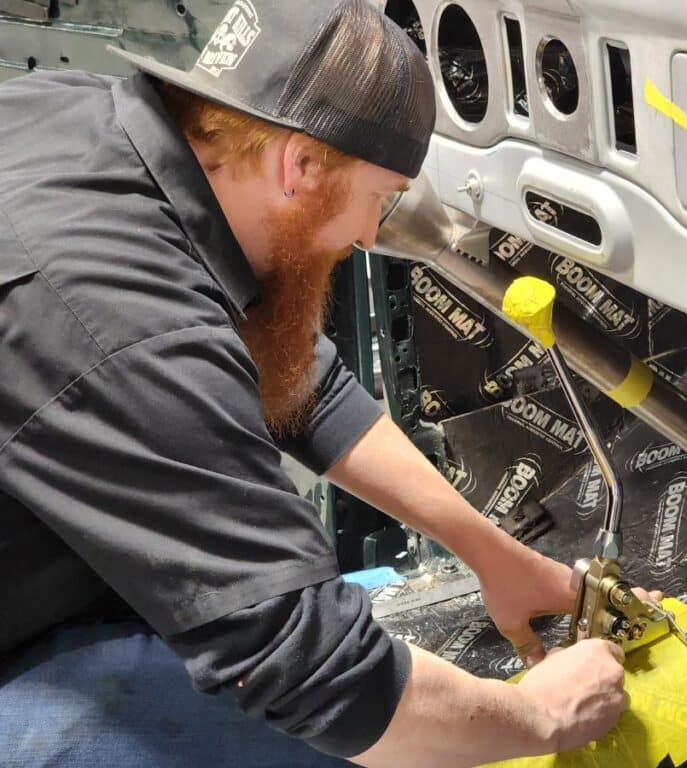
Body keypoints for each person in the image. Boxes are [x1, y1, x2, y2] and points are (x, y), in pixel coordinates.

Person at [0, 1, 650, 766]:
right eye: (378, 197)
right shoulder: (123, 327)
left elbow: (297, 378)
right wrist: (540, 715)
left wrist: (493, 554)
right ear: (300, 166)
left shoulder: (81, 118)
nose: (370, 234)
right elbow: (314, 673)